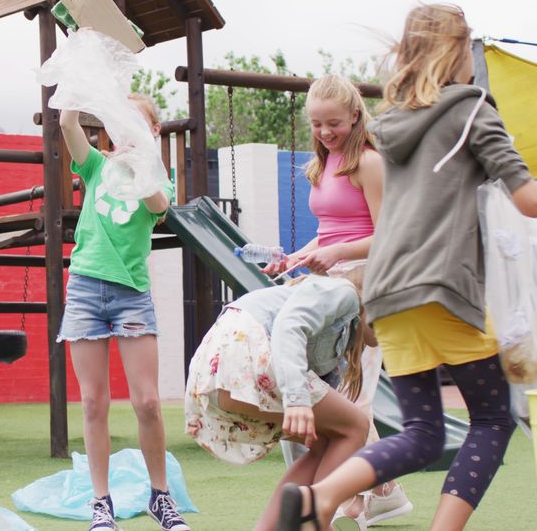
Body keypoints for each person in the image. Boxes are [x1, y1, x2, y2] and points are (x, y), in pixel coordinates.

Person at [276, 4, 537, 531]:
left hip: (388, 294)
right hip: (443, 288)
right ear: (457, 50)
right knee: (492, 418)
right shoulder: (471, 110)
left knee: (421, 434)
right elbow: (526, 199)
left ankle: (318, 496)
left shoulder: (393, 127)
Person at [266, 73, 412, 528]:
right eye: (317, 124)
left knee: (353, 398)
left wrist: (336, 254)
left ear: (355, 115)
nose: (326, 132)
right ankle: (380, 492)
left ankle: (365, 493)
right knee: (316, 391)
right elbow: (330, 233)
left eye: (335, 123)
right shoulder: (323, 164)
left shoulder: (369, 163)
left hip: (363, 287)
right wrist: (298, 256)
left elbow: (390, 235)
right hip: (325, 282)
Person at [58, 94, 188, 531]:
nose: (125, 128)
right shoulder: (95, 165)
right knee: (94, 402)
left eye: (136, 121)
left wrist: (139, 162)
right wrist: (76, 87)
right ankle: (101, 503)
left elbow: (158, 206)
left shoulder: (159, 180)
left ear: (153, 132)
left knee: (147, 401)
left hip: (131, 294)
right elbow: (67, 125)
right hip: (85, 292)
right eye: (118, 121)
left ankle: (161, 497)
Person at [185, 265, 373, 531]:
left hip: (223, 369)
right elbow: (290, 325)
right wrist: (296, 401)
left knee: (327, 439)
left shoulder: (341, 337)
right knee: (356, 425)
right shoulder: (344, 291)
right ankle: (316, 521)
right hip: (248, 349)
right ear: (374, 297)